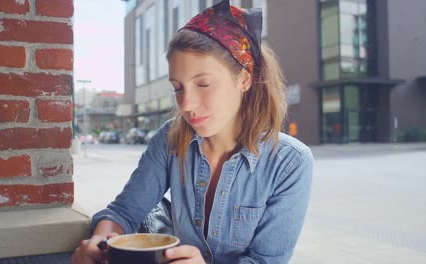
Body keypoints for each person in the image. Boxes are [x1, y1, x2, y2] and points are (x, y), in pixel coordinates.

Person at [72, 1, 313, 263]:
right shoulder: (170, 138)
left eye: (204, 83)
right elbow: (124, 212)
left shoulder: (290, 162)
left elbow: (267, 261)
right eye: (178, 87)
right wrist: (101, 242)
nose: (186, 105)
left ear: (244, 79)